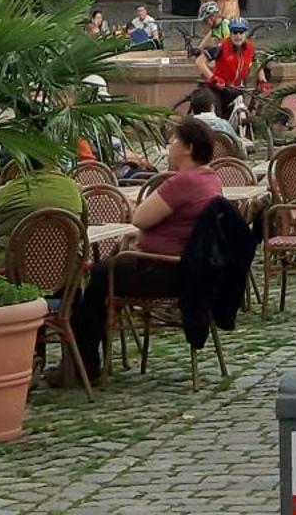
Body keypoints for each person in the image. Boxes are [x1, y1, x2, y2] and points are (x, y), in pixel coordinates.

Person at [69, 116, 225, 382]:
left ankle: (86, 365)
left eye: (174, 140)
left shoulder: (183, 183)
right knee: (105, 272)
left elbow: (140, 218)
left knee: (94, 279)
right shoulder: (210, 179)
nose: (169, 145)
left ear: (188, 148)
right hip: (191, 272)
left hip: (164, 270)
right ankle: (92, 360)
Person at [0, 164, 84, 267]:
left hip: (9, 276)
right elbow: (83, 231)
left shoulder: (4, 193)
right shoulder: (74, 190)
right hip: (65, 273)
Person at [199, 18, 256, 111]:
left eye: (241, 32)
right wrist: (214, 78)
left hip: (237, 89)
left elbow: (256, 62)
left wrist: (263, 80)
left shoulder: (250, 48)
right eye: (235, 32)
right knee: (217, 116)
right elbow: (199, 62)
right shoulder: (221, 47)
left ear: (246, 33)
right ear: (230, 33)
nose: (238, 36)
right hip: (219, 90)